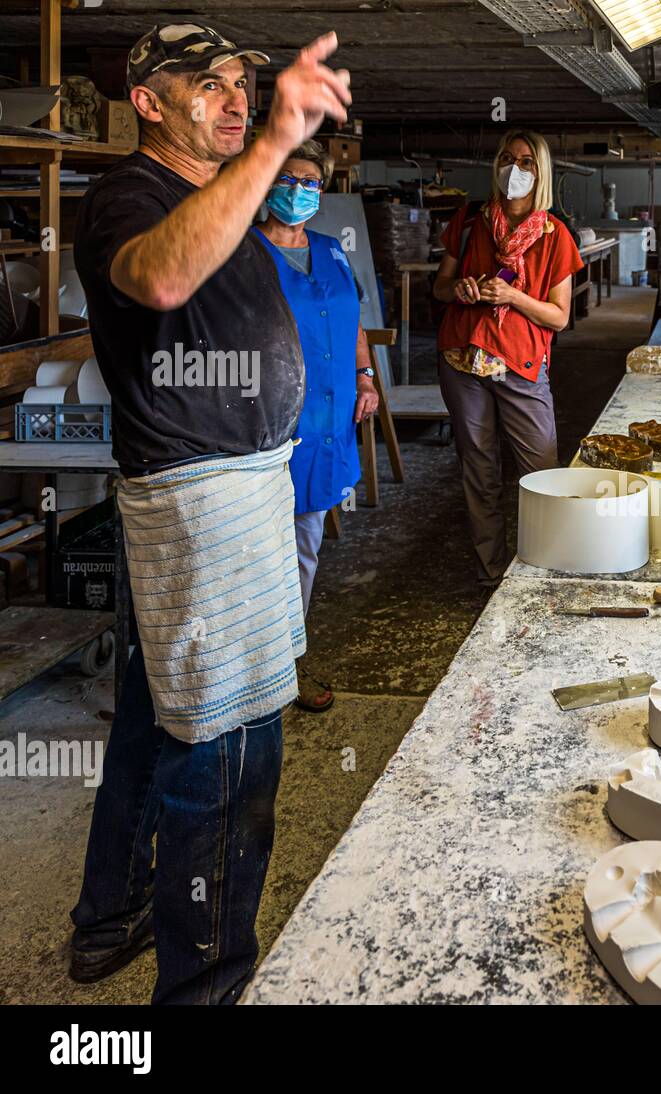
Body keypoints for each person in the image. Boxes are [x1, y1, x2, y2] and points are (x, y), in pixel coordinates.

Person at [69, 23, 351, 1004]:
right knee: (229, 760)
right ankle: (205, 989)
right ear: (148, 100)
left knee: (155, 722)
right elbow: (162, 279)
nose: (235, 99)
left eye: (244, 84)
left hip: (239, 488)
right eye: (210, 85)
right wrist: (277, 139)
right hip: (202, 506)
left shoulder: (214, 196)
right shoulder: (129, 197)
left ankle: (110, 917)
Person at [253, 139, 377, 713]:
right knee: (256, 551)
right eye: (289, 177)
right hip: (267, 426)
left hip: (330, 420)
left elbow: (353, 322)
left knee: (305, 546)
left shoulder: (332, 251)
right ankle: (249, 670)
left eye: (312, 182)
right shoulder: (244, 254)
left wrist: (367, 377)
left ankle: (288, 662)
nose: (301, 190)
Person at [432, 130, 584, 587]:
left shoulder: (556, 235)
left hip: (519, 364)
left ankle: (547, 570)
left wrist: (514, 295)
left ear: (540, 172)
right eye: (506, 158)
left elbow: (558, 317)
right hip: (463, 360)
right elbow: (440, 286)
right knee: (478, 469)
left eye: (525, 162)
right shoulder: (468, 221)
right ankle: (492, 573)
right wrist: (457, 289)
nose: (513, 169)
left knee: (540, 470)